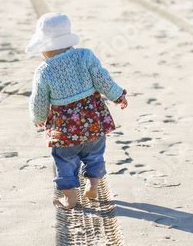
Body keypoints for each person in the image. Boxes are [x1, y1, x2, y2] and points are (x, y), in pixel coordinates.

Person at [26, 12, 128, 209]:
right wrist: (118, 96)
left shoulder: (44, 70)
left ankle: (70, 197)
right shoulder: (85, 56)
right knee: (95, 153)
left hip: (65, 128)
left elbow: (38, 99)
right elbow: (103, 80)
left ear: (45, 47)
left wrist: (38, 117)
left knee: (64, 159)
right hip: (93, 121)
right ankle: (93, 184)